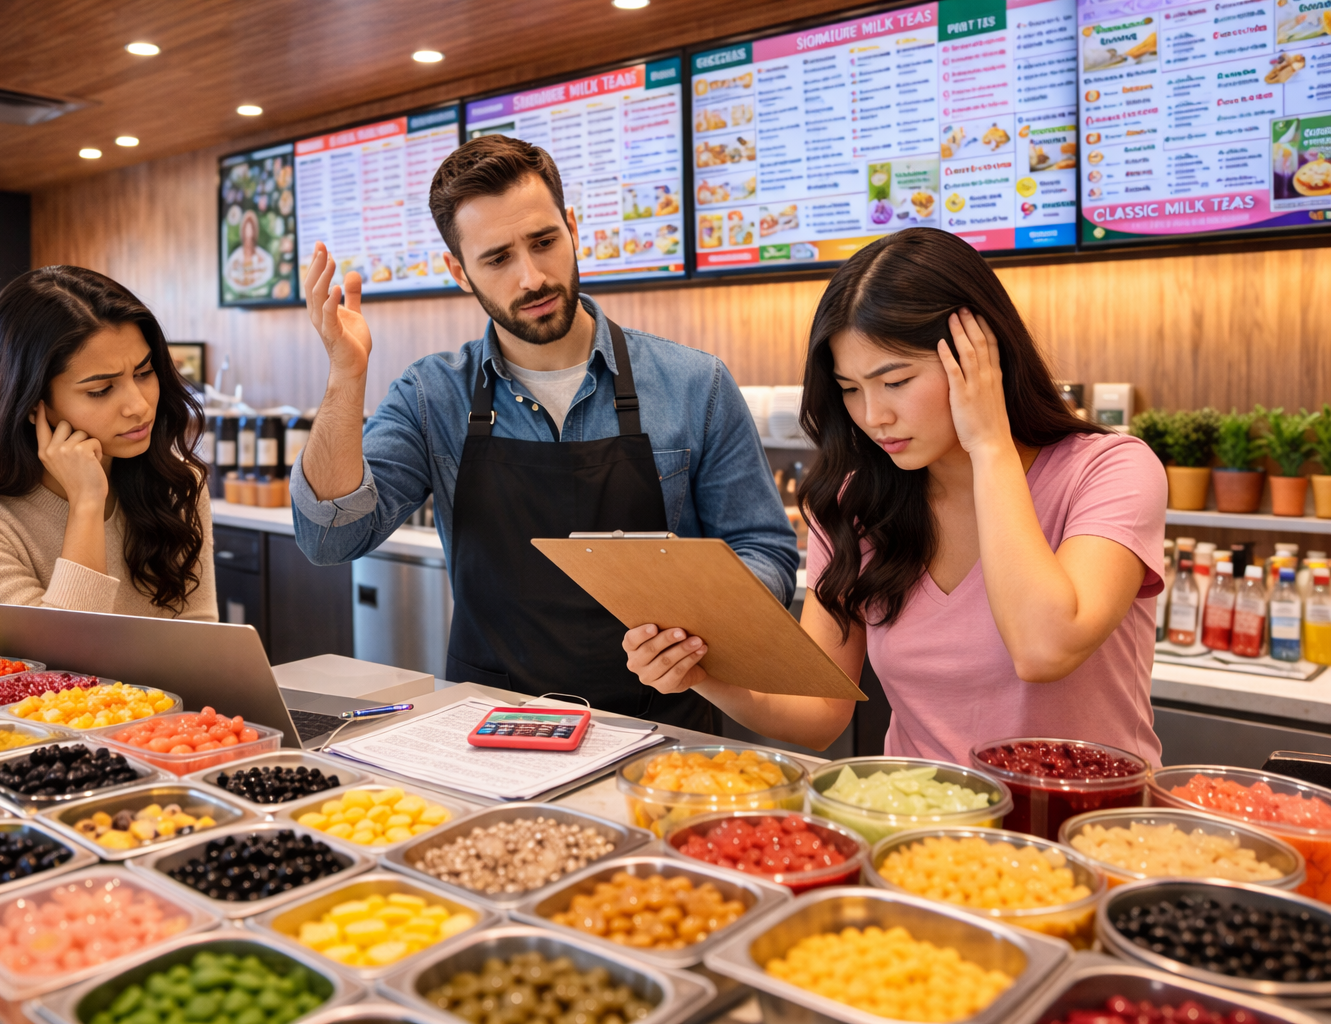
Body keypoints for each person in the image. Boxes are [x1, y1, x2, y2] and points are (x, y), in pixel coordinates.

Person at [292, 134, 796, 731]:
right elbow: (329, 542)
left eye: (543, 242)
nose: (532, 277)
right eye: (498, 258)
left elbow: (765, 552)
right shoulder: (433, 396)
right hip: (491, 727)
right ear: (459, 271)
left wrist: (698, 630)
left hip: (665, 729)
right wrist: (346, 376)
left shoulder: (695, 384)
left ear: (573, 228)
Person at [624, 228, 1166, 765]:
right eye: (851, 389)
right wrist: (701, 674)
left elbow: (1045, 647)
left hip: (1087, 833)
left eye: (897, 381)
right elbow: (818, 714)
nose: (873, 416)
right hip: (923, 832)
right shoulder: (856, 503)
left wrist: (990, 445)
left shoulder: (1111, 469)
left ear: (980, 359)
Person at [0, 266, 217, 645]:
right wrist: (87, 505)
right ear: (32, 404)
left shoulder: (174, 484)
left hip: (170, 706)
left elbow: (202, 645)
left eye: (144, 372)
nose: (139, 406)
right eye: (101, 390)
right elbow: (57, 667)